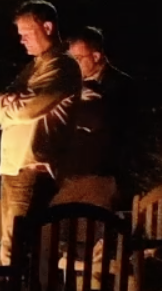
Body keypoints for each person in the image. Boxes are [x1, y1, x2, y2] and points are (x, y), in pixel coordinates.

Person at [0, 0, 80, 263]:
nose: (22, 40)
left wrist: (9, 105)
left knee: (18, 249)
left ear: (47, 27)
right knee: (12, 247)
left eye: (27, 33)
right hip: (14, 169)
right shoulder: (33, 68)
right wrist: (6, 103)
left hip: (32, 169)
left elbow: (28, 109)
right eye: (20, 35)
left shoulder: (62, 67)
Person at [54, 26, 128, 209]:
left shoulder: (119, 86)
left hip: (100, 178)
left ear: (96, 57)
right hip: (69, 178)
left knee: (92, 232)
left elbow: (98, 121)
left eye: (78, 59)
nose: (72, 66)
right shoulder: (72, 85)